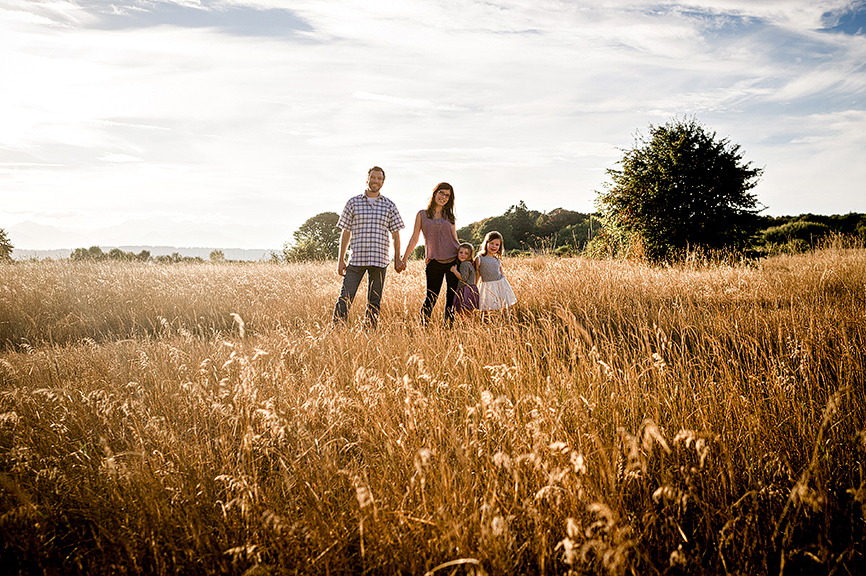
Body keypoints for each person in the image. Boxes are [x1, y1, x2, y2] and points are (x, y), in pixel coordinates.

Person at [332, 166, 405, 329]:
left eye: (379, 179)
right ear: (367, 179)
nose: (376, 181)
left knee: (374, 302)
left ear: (383, 182)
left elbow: (396, 234)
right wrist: (341, 260)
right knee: (345, 298)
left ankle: (369, 333)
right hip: (357, 259)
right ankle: (336, 331)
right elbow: (345, 232)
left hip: (380, 261)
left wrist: (398, 258)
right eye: (373, 177)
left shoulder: (389, 205)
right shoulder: (353, 202)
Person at [401, 182, 460, 326]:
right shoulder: (422, 214)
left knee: (452, 298)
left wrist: (466, 258)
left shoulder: (450, 215)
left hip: (453, 261)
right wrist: (404, 258)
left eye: (447, 195)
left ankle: (449, 328)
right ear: (435, 193)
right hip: (434, 262)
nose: (443, 197)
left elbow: (455, 238)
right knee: (431, 297)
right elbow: (415, 238)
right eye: (441, 193)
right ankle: (424, 328)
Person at [475, 230, 517, 319]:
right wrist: (475, 288)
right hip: (487, 285)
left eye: (497, 245)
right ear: (486, 243)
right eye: (492, 243)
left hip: (500, 284)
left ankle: (507, 322)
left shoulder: (497, 259)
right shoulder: (480, 258)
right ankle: (485, 327)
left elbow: (501, 273)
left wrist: (506, 285)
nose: (494, 246)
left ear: (500, 247)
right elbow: (477, 274)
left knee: (504, 306)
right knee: (486, 309)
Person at [450, 242, 479, 319]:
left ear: (470, 255)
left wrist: (454, 271)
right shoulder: (470, 263)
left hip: (466, 290)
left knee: (463, 312)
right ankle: (469, 328)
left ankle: (465, 327)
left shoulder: (464, 264)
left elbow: (464, 278)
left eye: (466, 253)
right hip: (472, 289)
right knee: (469, 313)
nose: (463, 255)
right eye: (461, 252)